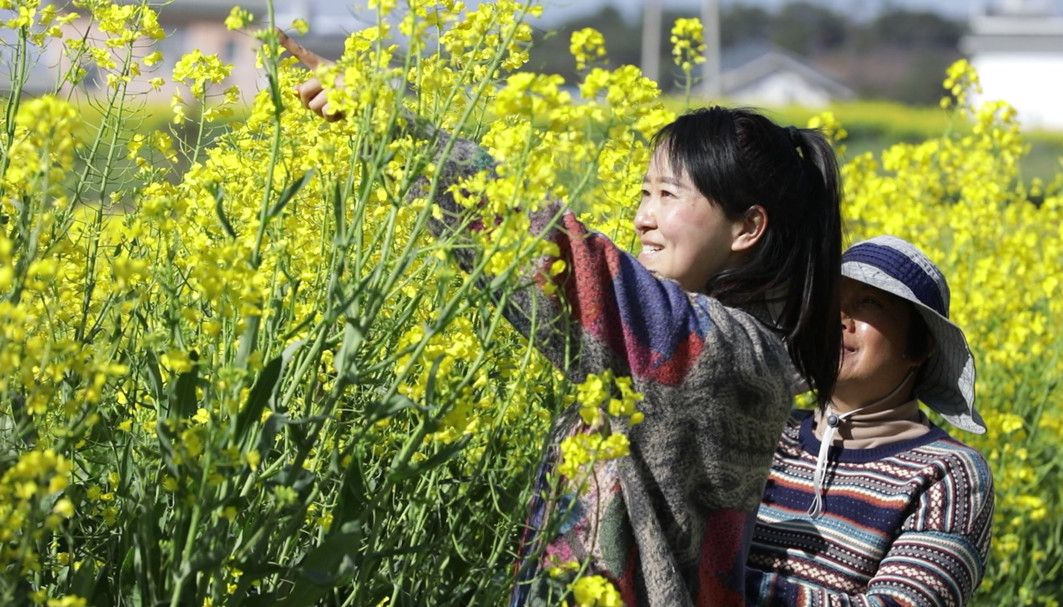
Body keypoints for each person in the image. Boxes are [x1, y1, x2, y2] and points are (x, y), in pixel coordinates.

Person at [280, 32, 844, 607]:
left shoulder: (732, 352)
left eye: (668, 195)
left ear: (748, 227)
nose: (643, 218)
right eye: (642, 193)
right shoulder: (719, 336)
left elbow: (573, 268)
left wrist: (399, 131)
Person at [745, 235, 995, 606]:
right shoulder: (761, 431)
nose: (839, 320)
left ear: (920, 346)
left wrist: (720, 577)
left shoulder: (949, 474)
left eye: (869, 303)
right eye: (830, 304)